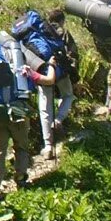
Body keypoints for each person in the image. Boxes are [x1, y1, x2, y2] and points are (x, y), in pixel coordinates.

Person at [0, 35, 34, 198]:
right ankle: (21, 179)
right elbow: (24, 82)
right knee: (21, 146)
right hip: (16, 109)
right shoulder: (14, 54)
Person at [26, 9, 78, 159]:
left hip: (41, 69)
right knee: (68, 95)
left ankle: (47, 146)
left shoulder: (35, 33)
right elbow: (72, 53)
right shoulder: (60, 32)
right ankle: (58, 120)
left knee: (45, 108)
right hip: (59, 69)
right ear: (62, 20)